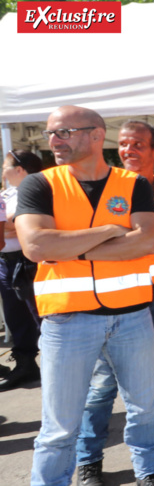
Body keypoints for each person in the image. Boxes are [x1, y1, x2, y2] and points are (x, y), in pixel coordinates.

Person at [16, 106, 154, 486]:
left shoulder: (133, 184)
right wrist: (110, 230)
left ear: (96, 135)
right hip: (67, 322)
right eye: (51, 133)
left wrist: (70, 249)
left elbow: (148, 240)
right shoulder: (39, 184)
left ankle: (151, 473)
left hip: (132, 316)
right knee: (59, 425)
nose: (54, 141)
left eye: (63, 132)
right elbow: (35, 245)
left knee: (144, 407)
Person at [75, 121, 154, 486]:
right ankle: (88, 458)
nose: (129, 150)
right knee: (104, 383)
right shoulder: (108, 188)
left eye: (138, 144)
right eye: (123, 144)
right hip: (118, 300)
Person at [0, 150, 42, 392]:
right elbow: (7, 227)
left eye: (6, 166)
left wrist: (10, 225)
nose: (3, 171)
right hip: (7, 260)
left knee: (39, 315)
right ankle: (25, 364)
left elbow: (15, 226)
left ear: (20, 170)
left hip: (25, 261)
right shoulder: (8, 193)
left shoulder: (35, 191)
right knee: (16, 316)